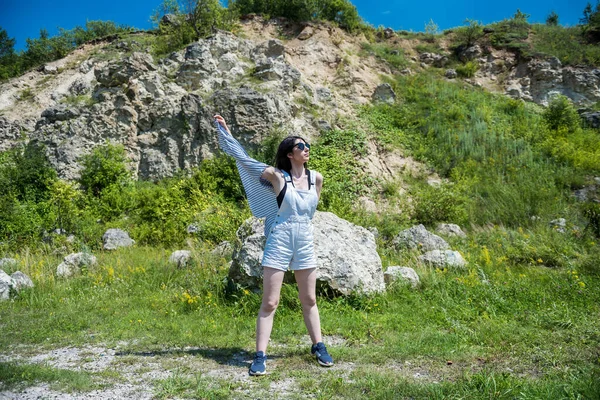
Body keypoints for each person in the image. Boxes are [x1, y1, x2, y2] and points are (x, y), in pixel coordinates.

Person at [214, 115, 333, 376]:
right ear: (289, 154)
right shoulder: (277, 177)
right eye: (301, 146)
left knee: (310, 298)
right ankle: (260, 355)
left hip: (304, 240)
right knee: (270, 301)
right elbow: (245, 161)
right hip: (279, 240)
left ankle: (318, 346)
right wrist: (227, 133)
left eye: (307, 145)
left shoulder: (317, 178)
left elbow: (309, 213)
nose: (307, 149)